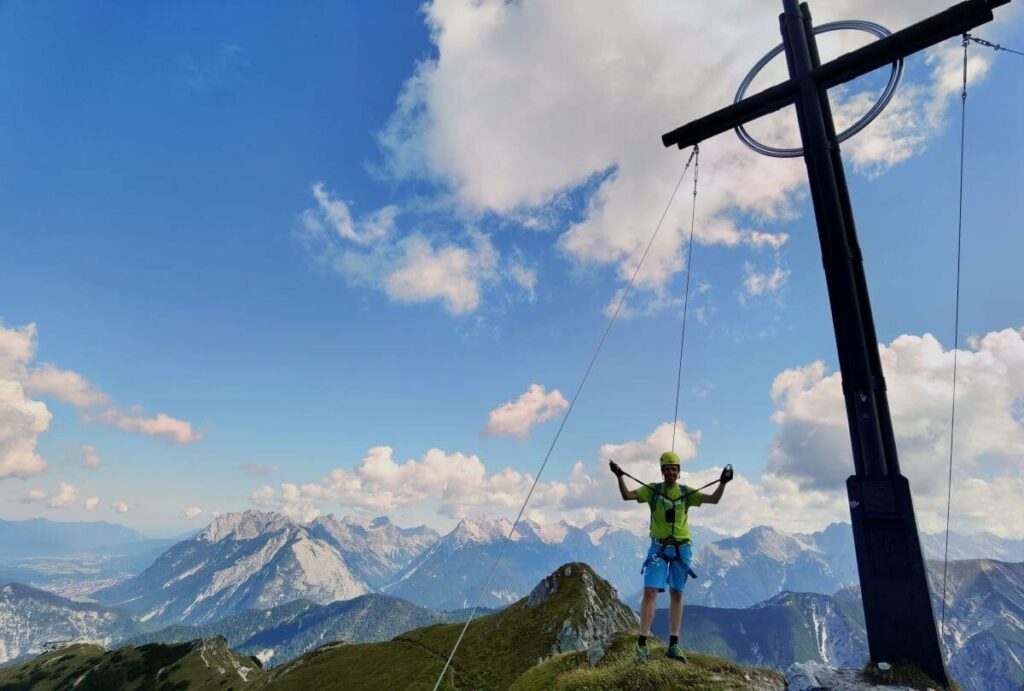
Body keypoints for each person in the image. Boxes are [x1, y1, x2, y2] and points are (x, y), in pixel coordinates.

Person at [609, 451, 732, 663]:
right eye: (667, 469)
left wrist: (723, 483)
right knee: (649, 592)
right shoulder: (652, 491)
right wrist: (619, 476)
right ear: (662, 471)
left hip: (681, 548)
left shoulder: (686, 492)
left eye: (674, 469)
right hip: (658, 547)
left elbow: (713, 499)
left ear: (679, 472)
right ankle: (642, 645)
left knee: (677, 594)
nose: (671, 472)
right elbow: (627, 496)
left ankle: (673, 645)